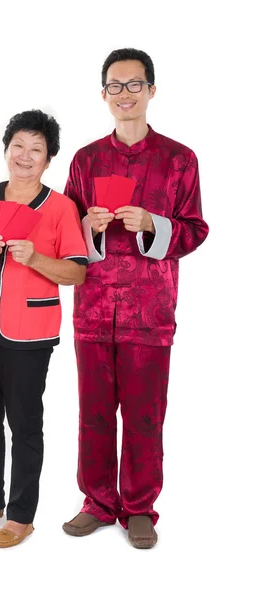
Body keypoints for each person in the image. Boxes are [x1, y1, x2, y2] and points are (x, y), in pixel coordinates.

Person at [62, 48, 209, 548]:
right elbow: (64, 236)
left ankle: (140, 505)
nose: (125, 94)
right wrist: (89, 226)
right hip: (93, 309)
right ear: (103, 95)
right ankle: (98, 502)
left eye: (134, 84)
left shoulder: (179, 159)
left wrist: (154, 224)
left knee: (146, 413)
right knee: (94, 411)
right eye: (115, 86)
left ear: (151, 89)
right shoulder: (85, 160)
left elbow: (195, 229)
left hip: (151, 311)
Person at [0, 110, 88, 548]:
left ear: (49, 160)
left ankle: (22, 515)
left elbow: (77, 273)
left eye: (36, 150)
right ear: (6, 149)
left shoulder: (62, 206)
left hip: (30, 330)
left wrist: (35, 259)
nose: (25, 156)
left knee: (25, 423)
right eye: (18, 147)